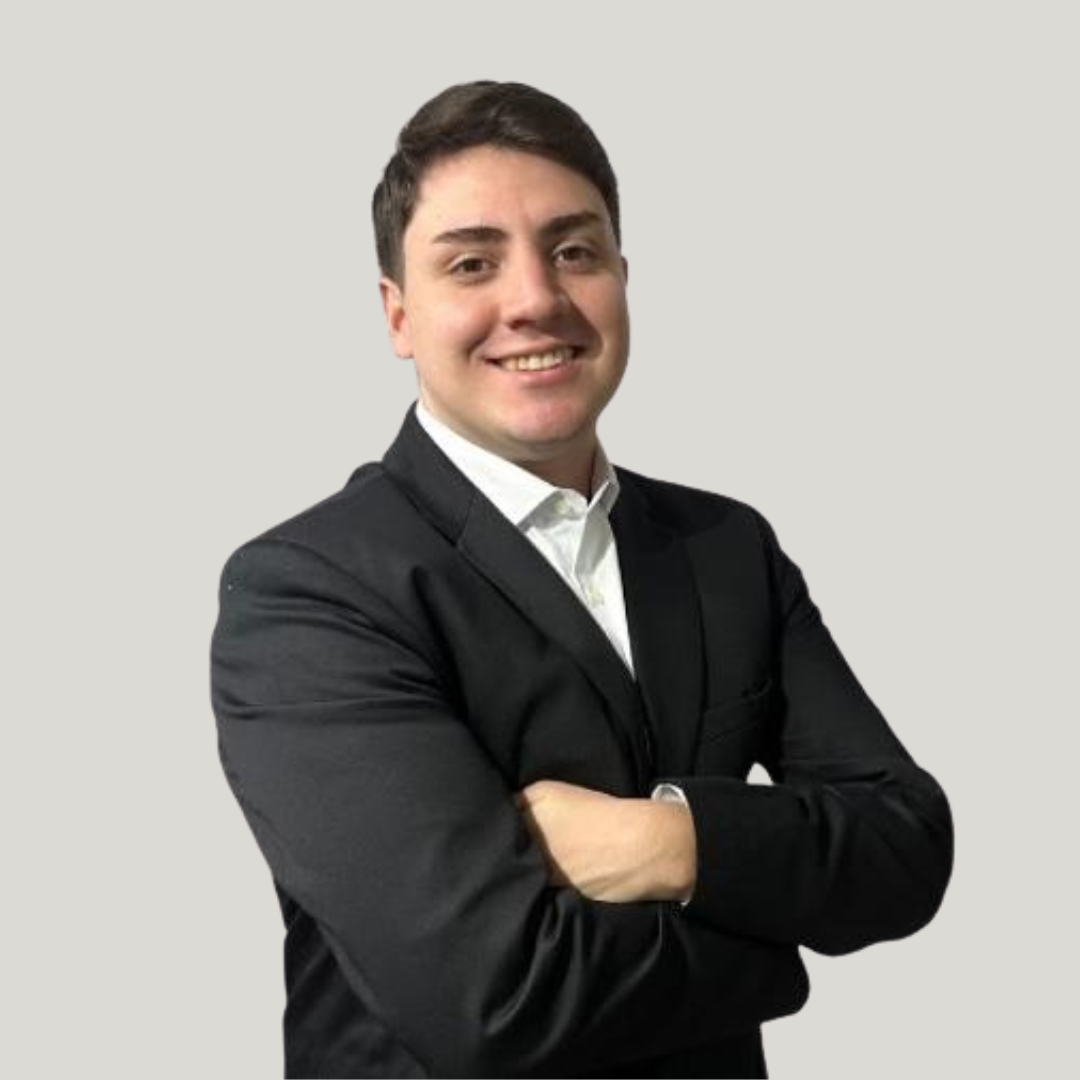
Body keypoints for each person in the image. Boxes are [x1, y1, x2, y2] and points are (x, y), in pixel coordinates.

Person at [211, 80, 953, 1079]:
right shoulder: (311, 591)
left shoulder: (725, 547)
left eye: (574, 252)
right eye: (472, 263)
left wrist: (670, 842)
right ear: (398, 315)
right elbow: (492, 1000)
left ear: (621, 278)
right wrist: (778, 955)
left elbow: (908, 844)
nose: (535, 300)